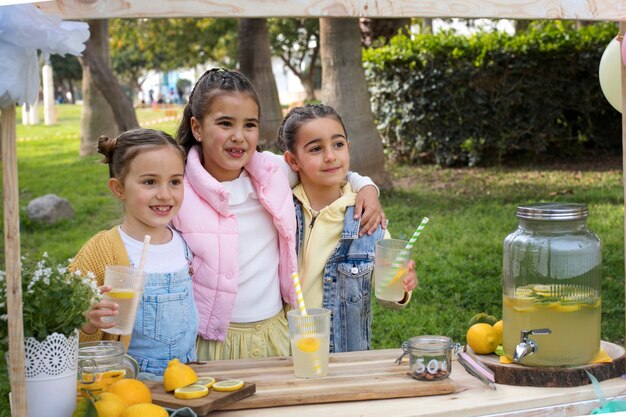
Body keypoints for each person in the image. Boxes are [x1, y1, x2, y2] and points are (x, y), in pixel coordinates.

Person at [172, 68, 384, 360]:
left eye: (249, 125)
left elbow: (333, 171)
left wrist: (367, 188)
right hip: (213, 341)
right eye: (225, 123)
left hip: (277, 333)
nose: (239, 137)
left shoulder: (273, 174)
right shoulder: (178, 190)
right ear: (197, 128)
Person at [279, 104, 417, 352]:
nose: (330, 156)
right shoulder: (278, 208)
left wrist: (402, 286)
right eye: (316, 148)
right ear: (292, 160)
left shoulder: (367, 218)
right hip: (280, 349)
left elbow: (388, 295)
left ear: (348, 148)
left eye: (338, 144)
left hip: (342, 354)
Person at [70, 128, 198, 376]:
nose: (165, 194)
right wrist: (87, 322)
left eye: (175, 181)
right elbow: (63, 325)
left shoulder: (185, 242)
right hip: (127, 382)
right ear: (118, 189)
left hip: (186, 377)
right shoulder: (103, 250)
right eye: (150, 182)